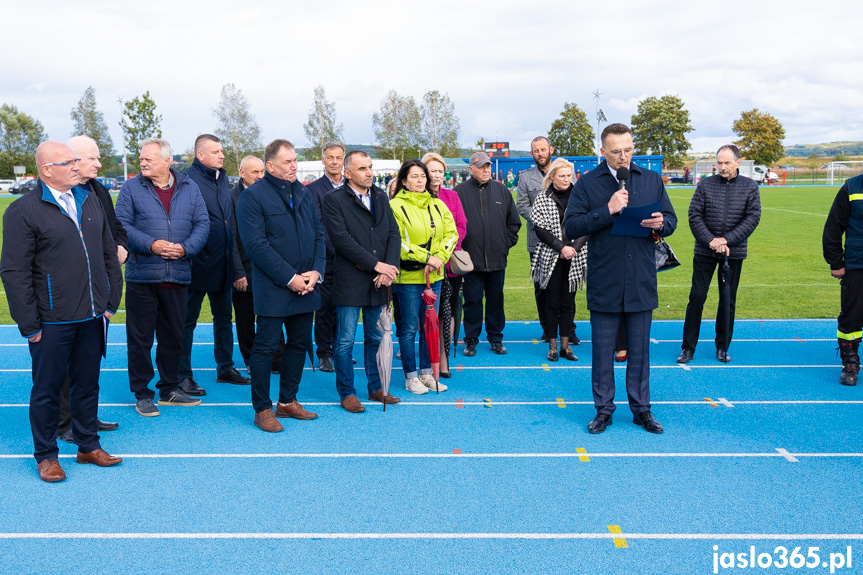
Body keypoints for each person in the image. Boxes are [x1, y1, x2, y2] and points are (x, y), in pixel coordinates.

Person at [1, 141, 124, 482]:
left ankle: (88, 445)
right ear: (46, 170)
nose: (75, 165)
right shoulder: (23, 211)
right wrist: (29, 324)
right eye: (67, 161)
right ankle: (46, 455)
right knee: (48, 389)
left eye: (75, 160)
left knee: (87, 385)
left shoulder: (91, 201)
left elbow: (107, 255)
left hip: (92, 315)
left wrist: (110, 302)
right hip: (51, 321)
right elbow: (14, 272)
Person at [564, 123, 677, 435]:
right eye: (616, 152)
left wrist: (661, 223)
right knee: (602, 352)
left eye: (628, 150)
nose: (624, 156)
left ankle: (642, 410)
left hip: (641, 279)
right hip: (606, 279)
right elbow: (572, 227)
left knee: (640, 352)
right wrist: (608, 209)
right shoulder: (586, 184)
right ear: (602, 151)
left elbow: (671, 219)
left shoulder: (652, 179)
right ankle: (603, 411)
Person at [116, 138, 210, 416]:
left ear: (167, 161)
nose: (142, 163)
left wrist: (185, 248)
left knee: (173, 337)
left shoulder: (189, 187)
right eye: (141, 158)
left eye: (148, 159)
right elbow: (121, 225)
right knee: (140, 339)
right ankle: (143, 394)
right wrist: (151, 245)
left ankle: (169, 388)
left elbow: (203, 224)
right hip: (142, 277)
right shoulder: (131, 187)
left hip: (177, 275)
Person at [236, 139, 325, 432]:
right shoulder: (252, 197)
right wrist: (291, 278)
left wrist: (315, 272)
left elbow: (319, 236)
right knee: (265, 347)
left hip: (306, 286)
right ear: (270, 166)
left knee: (299, 344)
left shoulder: (303, 192)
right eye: (288, 162)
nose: (294, 166)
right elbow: (256, 246)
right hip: (275, 288)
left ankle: (287, 401)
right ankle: (262, 409)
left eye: (295, 160)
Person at [55, 135, 127, 443]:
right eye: (92, 158)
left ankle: (85, 416)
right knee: (66, 361)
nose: (99, 163)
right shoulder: (62, 194)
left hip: (99, 288)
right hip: (70, 292)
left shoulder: (98, 190)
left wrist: (121, 245)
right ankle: (64, 423)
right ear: (74, 160)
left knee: (89, 357)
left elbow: (114, 228)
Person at [322, 151, 402, 412]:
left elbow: (393, 232)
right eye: (362, 168)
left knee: (375, 338)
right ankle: (347, 393)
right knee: (344, 341)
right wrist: (376, 265)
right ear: (347, 173)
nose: (369, 172)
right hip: (350, 281)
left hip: (379, 281)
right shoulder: (333, 200)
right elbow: (341, 240)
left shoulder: (380, 195)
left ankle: (376, 387)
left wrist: (388, 269)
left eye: (370, 167)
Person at [178, 134, 249, 397]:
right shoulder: (187, 180)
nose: (221, 155)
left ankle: (225, 368)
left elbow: (227, 221)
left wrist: (235, 265)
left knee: (223, 319)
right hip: (197, 264)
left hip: (223, 263)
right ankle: (182, 375)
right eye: (216, 151)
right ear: (201, 155)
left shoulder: (222, 178)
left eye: (222, 151)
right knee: (188, 322)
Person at [677, 144, 761, 365]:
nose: (722, 167)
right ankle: (688, 348)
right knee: (696, 297)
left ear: (738, 162)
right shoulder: (705, 185)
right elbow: (694, 215)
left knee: (727, 300)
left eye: (726, 163)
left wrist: (727, 240)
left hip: (733, 252)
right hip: (705, 250)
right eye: (719, 163)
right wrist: (711, 240)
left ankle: (723, 346)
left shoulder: (750, 187)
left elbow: (752, 218)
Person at [391, 160, 458, 394]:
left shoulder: (438, 205)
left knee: (430, 327)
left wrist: (438, 258)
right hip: (408, 280)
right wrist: (427, 258)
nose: (420, 181)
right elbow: (396, 242)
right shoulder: (395, 206)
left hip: (435, 278)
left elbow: (452, 234)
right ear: (404, 181)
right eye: (414, 176)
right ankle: (410, 377)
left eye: (423, 176)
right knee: (409, 329)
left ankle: (426, 373)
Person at [455, 152, 521, 356]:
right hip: (470, 261)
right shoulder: (459, 192)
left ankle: (495, 338)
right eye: (481, 166)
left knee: (495, 300)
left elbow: (514, 223)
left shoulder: (502, 190)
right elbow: (452, 225)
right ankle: (471, 339)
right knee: (472, 301)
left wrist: (504, 244)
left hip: (496, 259)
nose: (486, 170)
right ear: (471, 169)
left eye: (488, 166)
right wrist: (461, 250)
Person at [530, 158, 586, 362]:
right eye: (561, 175)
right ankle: (552, 347)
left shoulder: (580, 196)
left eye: (569, 175)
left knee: (568, 303)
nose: (566, 179)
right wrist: (561, 247)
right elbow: (539, 229)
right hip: (551, 256)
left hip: (575, 256)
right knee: (552, 302)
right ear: (552, 176)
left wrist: (574, 248)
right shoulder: (543, 197)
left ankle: (565, 347)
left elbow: (586, 225)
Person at [230, 155, 283, 372]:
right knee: (245, 318)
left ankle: (278, 359)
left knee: (273, 314)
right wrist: (237, 272)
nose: (261, 176)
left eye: (262, 172)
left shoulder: (272, 194)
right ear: (242, 173)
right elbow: (230, 238)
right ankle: (251, 360)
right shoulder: (230, 198)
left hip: (270, 268)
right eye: (255, 172)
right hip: (244, 269)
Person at [422, 152, 467, 379]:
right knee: (427, 313)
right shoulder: (415, 197)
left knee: (448, 311)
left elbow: (460, 227)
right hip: (424, 265)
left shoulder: (452, 196)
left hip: (449, 265)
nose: (437, 176)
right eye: (432, 171)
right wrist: (429, 257)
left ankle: (443, 358)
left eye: (440, 171)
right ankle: (426, 359)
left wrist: (444, 253)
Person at [517, 136, 567, 342]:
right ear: (532, 154)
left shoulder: (564, 172)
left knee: (566, 287)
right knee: (542, 287)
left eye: (543, 149)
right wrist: (543, 220)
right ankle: (548, 329)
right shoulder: (526, 177)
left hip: (565, 241)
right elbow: (521, 206)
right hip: (537, 241)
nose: (540, 154)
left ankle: (567, 329)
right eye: (536, 151)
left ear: (550, 149)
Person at [307, 142, 345, 373]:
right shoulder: (314, 189)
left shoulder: (351, 186)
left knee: (345, 307)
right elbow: (319, 225)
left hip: (350, 260)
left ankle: (341, 348)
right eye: (330, 157)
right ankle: (324, 352)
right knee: (324, 307)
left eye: (338, 157)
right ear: (323, 160)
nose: (334, 161)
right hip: (328, 258)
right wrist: (339, 248)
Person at [823, 172, 863, 386]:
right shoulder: (852, 187)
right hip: (857, 263)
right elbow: (833, 226)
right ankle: (850, 363)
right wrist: (835, 262)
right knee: (852, 316)